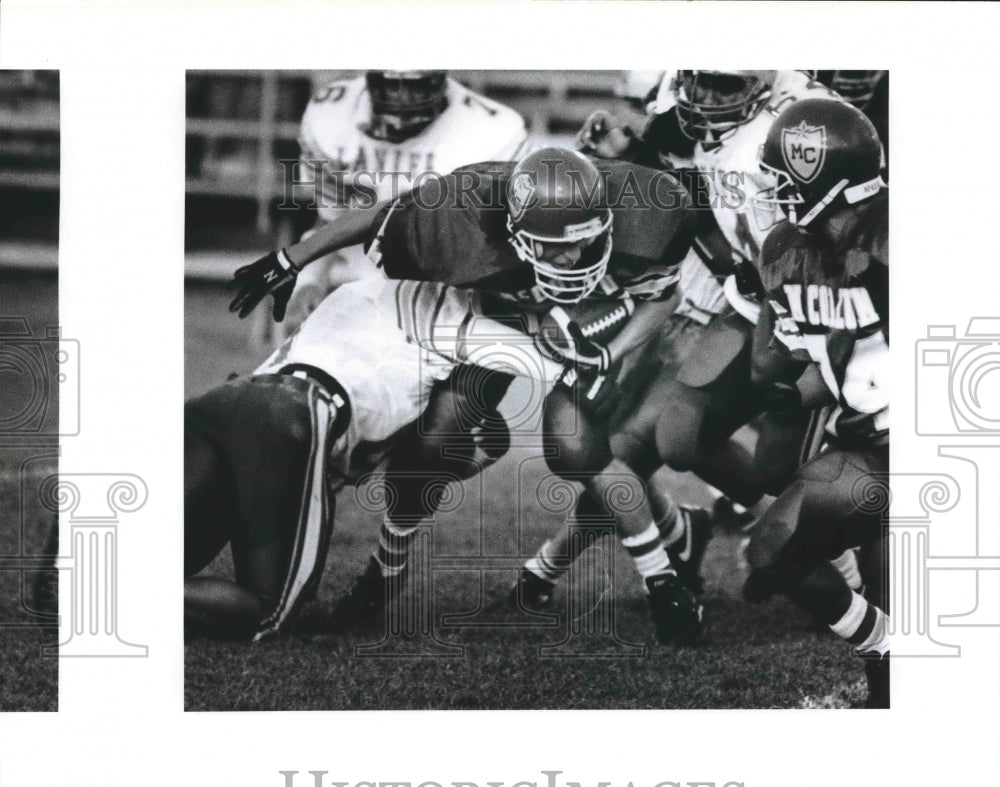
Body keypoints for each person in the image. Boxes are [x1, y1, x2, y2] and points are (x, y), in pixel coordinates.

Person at [230, 147, 707, 644]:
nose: (571, 257)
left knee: (575, 447)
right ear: (516, 235)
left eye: (584, 241)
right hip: (499, 316)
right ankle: (388, 568)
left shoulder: (649, 214)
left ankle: (664, 582)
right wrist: (290, 259)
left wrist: (613, 354)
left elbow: (664, 295)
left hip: (597, 316)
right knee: (436, 441)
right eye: (553, 247)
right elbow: (382, 214)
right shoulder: (466, 218)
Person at [512, 71, 850, 612]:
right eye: (695, 85)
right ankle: (719, 539)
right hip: (715, 300)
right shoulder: (685, 108)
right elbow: (696, 197)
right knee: (643, 446)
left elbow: (723, 224)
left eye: (721, 86)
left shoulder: (790, 124)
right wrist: (627, 160)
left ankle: (824, 559)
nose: (700, 102)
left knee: (638, 449)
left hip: (751, 304)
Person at [188, 273, 562, 641]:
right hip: (295, 414)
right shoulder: (446, 319)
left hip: (223, 401)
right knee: (265, 613)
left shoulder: (361, 296)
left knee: (170, 557)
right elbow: (546, 361)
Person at [743, 97, 890, 707]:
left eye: (782, 176)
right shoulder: (785, 248)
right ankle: (887, 645)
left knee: (905, 563)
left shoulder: (897, 239)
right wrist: (783, 385)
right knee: (772, 549)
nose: (772, 190)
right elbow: (812, 364)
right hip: (868, 447)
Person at [275, 70, 527, 340]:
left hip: (451, 300)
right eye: (391, 85)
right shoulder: (332, 116)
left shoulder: (492, 133)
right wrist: (309, 283)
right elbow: (331, 220)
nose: (403, 99)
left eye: (415, 86)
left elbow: (498, 251)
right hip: (361, 288)